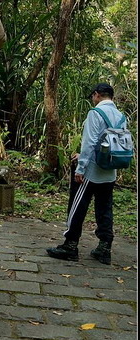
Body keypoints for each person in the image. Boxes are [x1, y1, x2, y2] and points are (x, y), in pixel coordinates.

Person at [46, 83, 124, 265]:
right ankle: (104, 249)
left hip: (91, 171)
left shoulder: (95, 113)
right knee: (105, 209)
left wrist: (80, 167)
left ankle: (70, 246)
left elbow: (89, 143)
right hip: (110, 171)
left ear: (97, 95)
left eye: (93, 96)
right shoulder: (121, 116)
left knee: (77, 205)